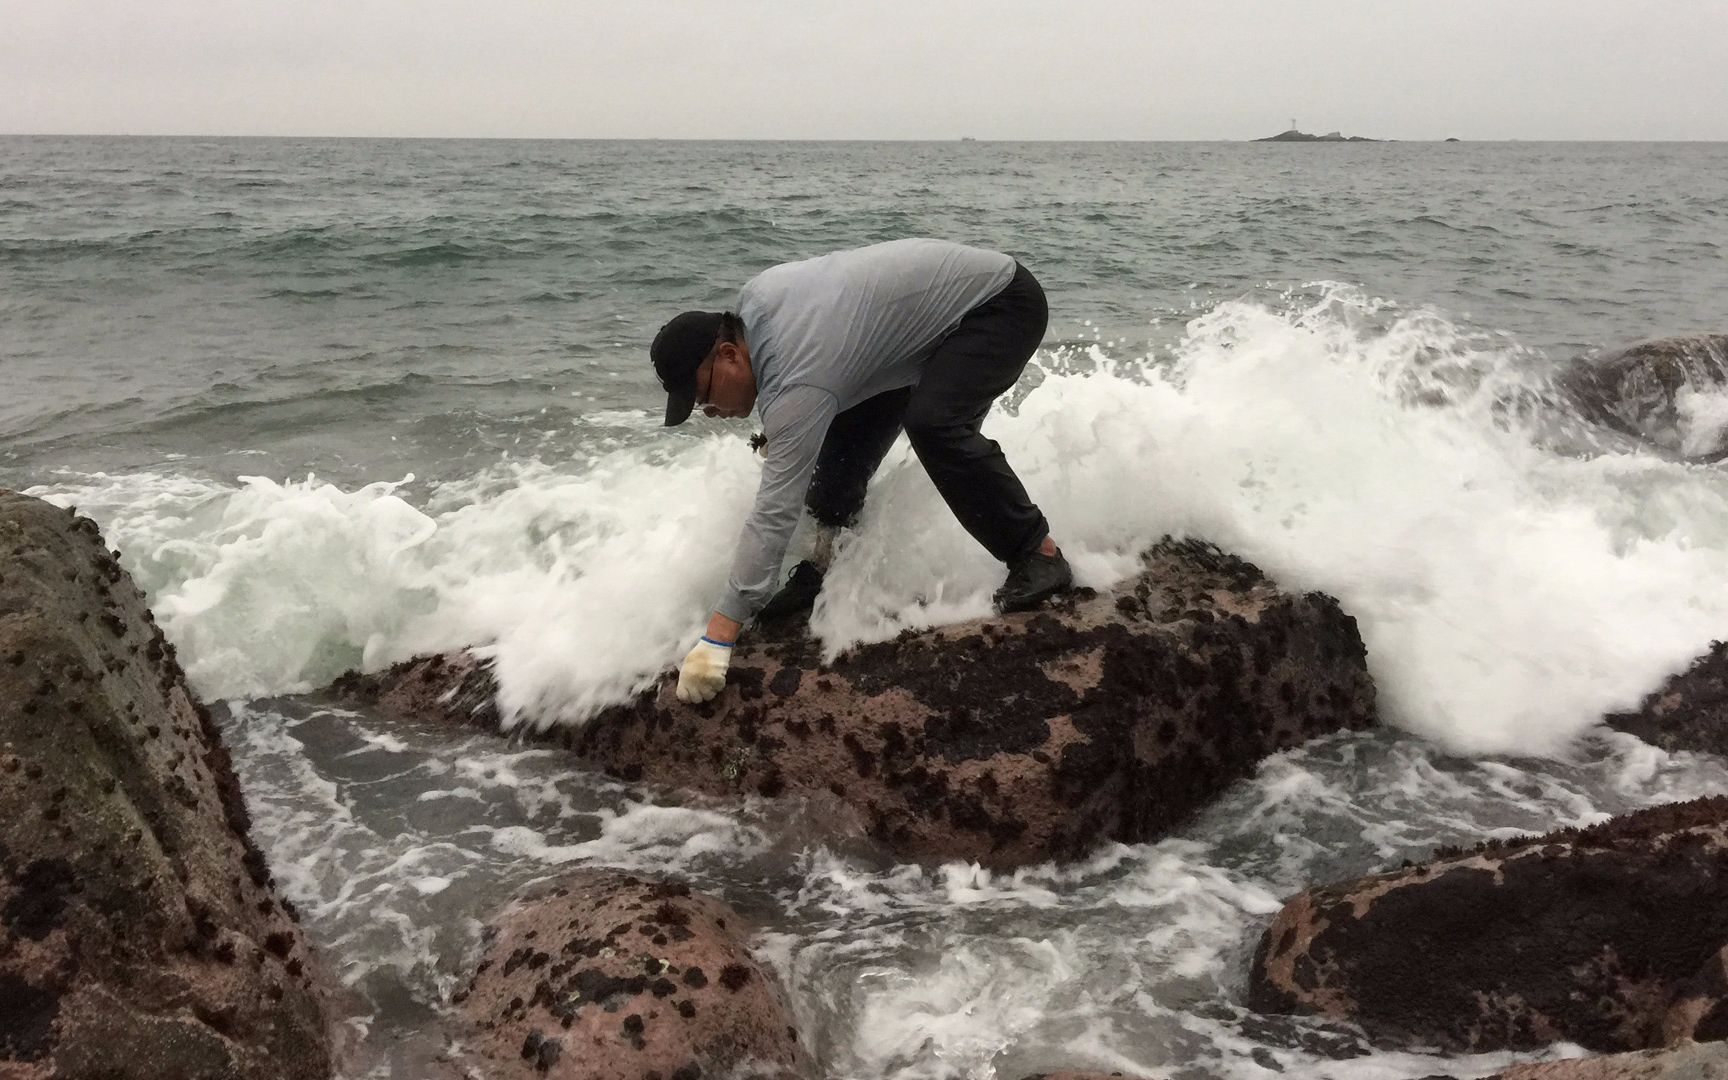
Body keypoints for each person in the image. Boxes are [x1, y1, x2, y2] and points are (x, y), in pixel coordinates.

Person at [650, 238, 1071, 704]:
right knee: (841, 453)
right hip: (921, 332)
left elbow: (774, 510)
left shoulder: (798, 379)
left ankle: (1039, 553)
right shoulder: (756, 302)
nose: (710, 410)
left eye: (704, 395)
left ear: (729, 353)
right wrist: (790, 425)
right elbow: (828, 354)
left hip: (999, 305)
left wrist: (719, 634)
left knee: (935, 425)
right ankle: (825, 570)